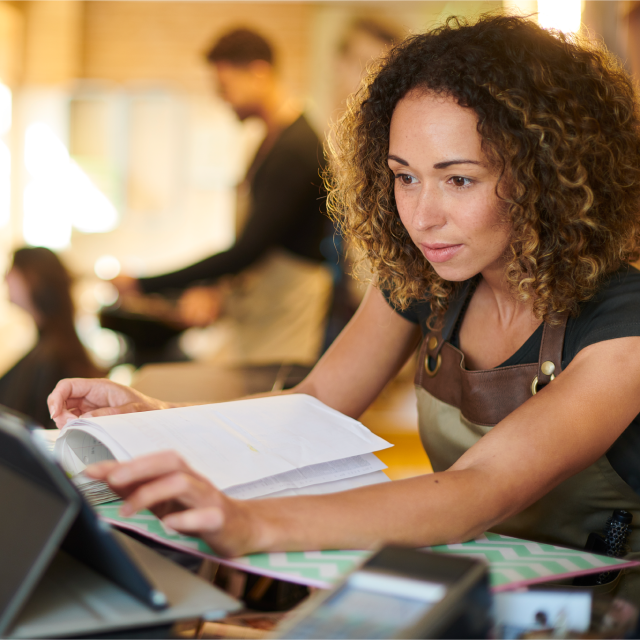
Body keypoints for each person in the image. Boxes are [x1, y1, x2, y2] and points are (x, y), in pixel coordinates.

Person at [49, 15, 640, 601]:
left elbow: (478, 489)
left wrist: (252, 524)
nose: (422, 216)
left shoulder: (624, 325)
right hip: (476, 584)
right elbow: (315, 405)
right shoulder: (428, 278)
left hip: (602, 609)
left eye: (458, 180)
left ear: (548, 175)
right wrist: (157, 420)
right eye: (404, 178)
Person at [113, 28, 332, 367]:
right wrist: (214, 289)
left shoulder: (296, 147)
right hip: (262, 305)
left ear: (259, 73)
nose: (222, 98)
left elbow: (248, 249)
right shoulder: (269, 141)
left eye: (225, 87)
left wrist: (146, 284)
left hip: (286, 311)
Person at [1, 247, 102, 427]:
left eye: (12, 270)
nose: (5, 277)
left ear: (33, 278)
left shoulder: (53, 359)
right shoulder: (49, 351)